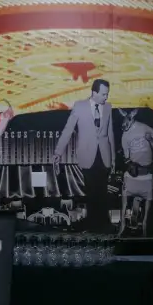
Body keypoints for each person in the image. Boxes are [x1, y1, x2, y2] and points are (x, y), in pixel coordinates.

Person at [54, 79, 115, 232]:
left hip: (104, 156)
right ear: (94, 93)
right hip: (87, 155)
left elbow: (110, 134)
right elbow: (68, 129)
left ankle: (103, 224)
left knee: (102, 191)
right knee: (91, 191)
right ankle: (93, 224)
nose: (106, 97)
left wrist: (113, 158)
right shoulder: (79, 106)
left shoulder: (108, 107)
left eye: (107, 94)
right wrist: (58, 152)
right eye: (103, 94)